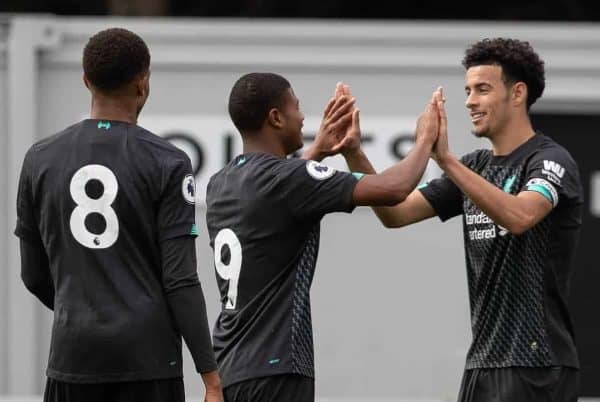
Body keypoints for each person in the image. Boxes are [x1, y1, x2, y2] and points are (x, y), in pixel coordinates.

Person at [340, 38, 582, 401]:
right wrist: (353, 153)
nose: (469, 101)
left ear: (517, 94)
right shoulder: (475, 167)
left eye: (482, 89)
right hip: (482, 365)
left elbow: (520, 216)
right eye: (467, 90)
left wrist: (446, 160)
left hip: (535, 363)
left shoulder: (551, 160)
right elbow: (395, 214)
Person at [205, 72, 441, 402]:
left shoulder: (221, 182)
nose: (303, 118)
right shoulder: (289, 179)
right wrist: (425, 140)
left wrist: (318, 149)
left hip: (230, 368)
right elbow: (394, 189)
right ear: (275, 117)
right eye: (296, 108)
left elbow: (279, 192)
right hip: (277, 368)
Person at [15, 28, 222, 402]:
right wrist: (210, 375)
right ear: (143, 84)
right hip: (148, 361)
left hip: (72, 354)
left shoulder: (39, 159)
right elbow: (181, 281)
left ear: (85, 80)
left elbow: (33, 275)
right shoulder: (168, 162)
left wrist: (83, 309)